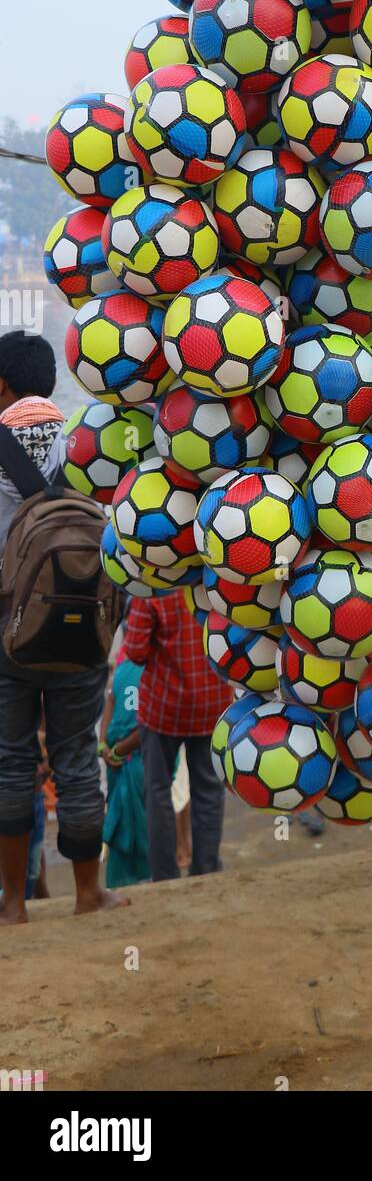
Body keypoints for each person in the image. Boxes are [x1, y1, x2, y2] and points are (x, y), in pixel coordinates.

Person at [0, 332, 128, 926]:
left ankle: (14, 904)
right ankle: (87, 896)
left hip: (7, 632)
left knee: (9, 761)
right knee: (77, 757)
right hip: (84, 628)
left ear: (1, 385)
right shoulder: (90, 441)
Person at [124, 591, 232, 880]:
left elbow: (134, 650)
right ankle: (206, 870)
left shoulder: (154, 585)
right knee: (209, 791)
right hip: (213, 702)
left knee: (158, 793)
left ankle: (164, 875)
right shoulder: (216, 581)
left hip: (163, 708)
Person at [99, 633, 149, 888]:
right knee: (120, 822)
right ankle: (121, 883)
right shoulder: (124, 661)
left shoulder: (153, 667)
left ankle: (145, 878)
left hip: (139, 762)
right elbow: (110, 697)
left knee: (143, 823)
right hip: (116, 763)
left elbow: (148, 724)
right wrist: (103, 745)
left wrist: (116, 749)